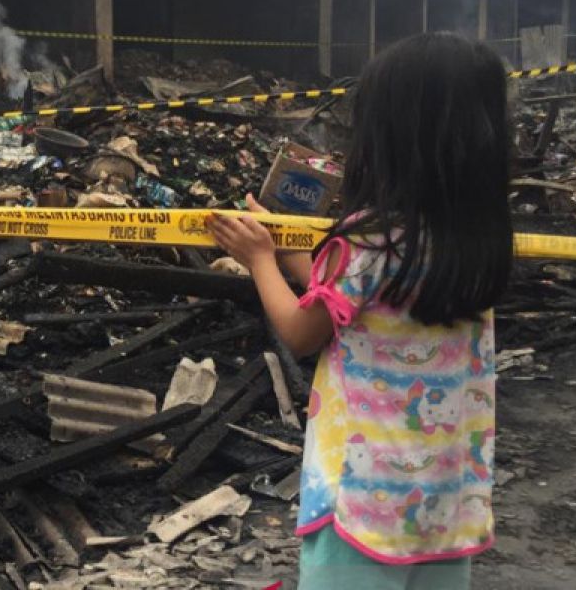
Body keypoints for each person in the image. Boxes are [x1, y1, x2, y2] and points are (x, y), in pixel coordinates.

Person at [208, 32, 511, 590]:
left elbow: (302, 331)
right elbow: (363, 306)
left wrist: (257, 261)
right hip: (443, 506)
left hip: (361, 505)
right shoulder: (476, 240)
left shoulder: (367, 240)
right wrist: (296, 255)